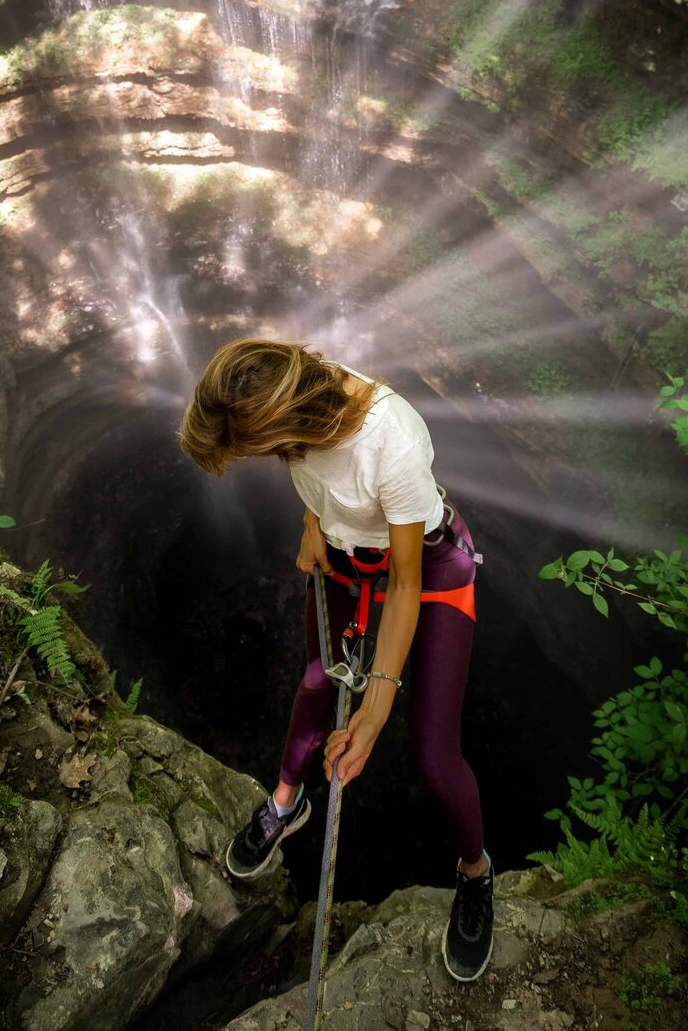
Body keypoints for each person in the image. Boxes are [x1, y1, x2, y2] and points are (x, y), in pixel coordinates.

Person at [178, 337, 493, 981]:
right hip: (349, 555)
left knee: (435, 755)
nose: (265, 458)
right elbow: (315, 476)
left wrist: (377, 709)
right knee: (317, 681)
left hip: (425, 566)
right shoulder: (296, 385)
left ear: (289, 422)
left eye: (260, 448)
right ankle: (287, 803)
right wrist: (312, 527)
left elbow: (408, 583)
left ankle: (476, 873)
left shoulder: (393, 438)